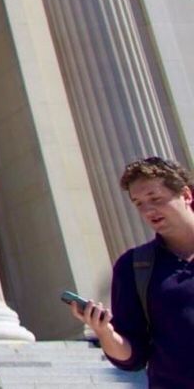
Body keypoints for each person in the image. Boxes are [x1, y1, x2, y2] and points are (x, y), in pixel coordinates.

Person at [70, 154, 194, 386]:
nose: (148, 210)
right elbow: (133, 357)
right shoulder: (134, 266)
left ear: (186, 195)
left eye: (155, 198)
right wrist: (105, 332)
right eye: (139, 204)